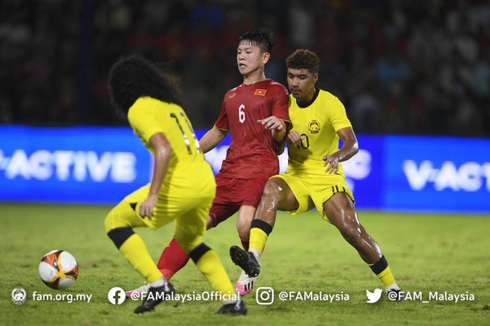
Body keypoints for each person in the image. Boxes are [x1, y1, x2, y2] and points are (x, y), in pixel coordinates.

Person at [126, 29, 290, 298]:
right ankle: (157, 283)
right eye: (239, 52)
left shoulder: (276, 90)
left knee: (244, 224)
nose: (241, 56)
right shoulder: (231, 95)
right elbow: (217, 132)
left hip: (259, 168)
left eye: (248, 52)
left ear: (264, 57)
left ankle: (249, 271)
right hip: (229, 172)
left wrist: (278, 127)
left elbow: (281, 129)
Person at [230, 49, 403, 299]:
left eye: (301, 77)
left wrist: (336, 156)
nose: (294, 83)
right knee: (271, 189)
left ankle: (392, 286)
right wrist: (281, 134)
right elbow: (277, 148)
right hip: (296, 177)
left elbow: (352, 144)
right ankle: (252, 263)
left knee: (351, 230)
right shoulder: (284, 103)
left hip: (326, 176)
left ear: (315, 78)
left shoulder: (330, 103)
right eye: (290, 76)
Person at [105, 54, 246, 315]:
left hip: (181, 184)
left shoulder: (140, 108)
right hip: (204, 182)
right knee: (190, 241)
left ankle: (157, 284)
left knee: (115, 222)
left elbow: (163, 147)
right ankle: (232, 300)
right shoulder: (171, 106)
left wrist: (153, 194)